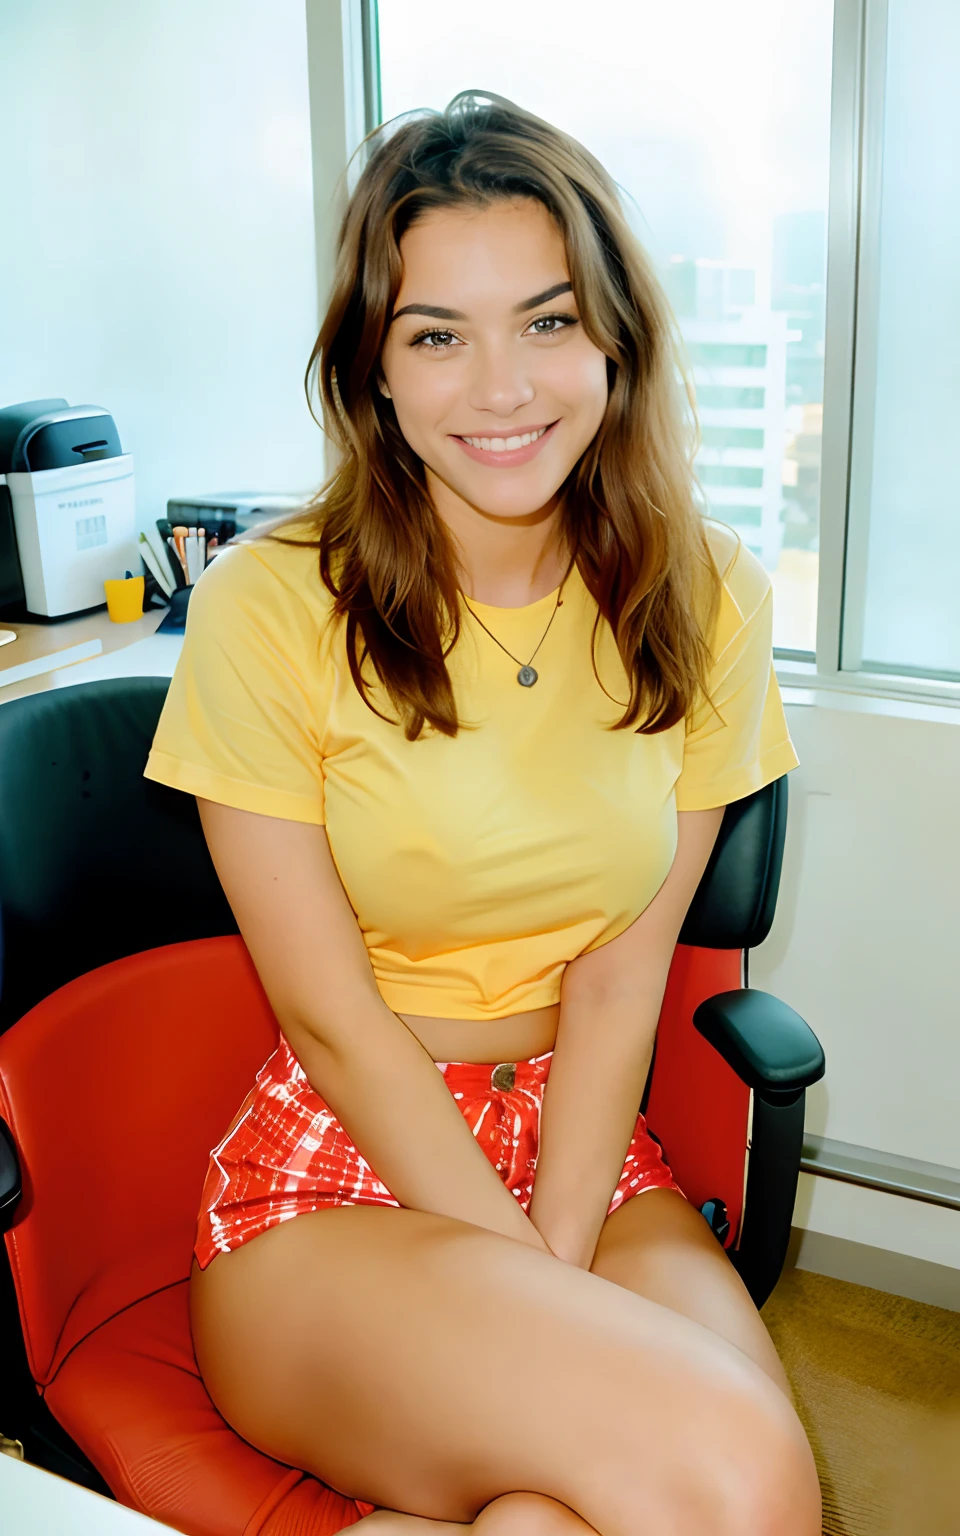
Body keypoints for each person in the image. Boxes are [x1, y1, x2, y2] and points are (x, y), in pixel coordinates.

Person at [145, 91, 820, 1536]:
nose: (500, 386)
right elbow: (334, 1023)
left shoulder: (708, 597)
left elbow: (623, 974)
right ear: (375, 372)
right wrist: (521, 1280)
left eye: (548, 321)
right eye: (436, 335)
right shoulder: (271, 606)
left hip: (583, 1146)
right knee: (739, 1473)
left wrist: (554, 1255)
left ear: (614, 342)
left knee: (650, 1511)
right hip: (342, 1171)